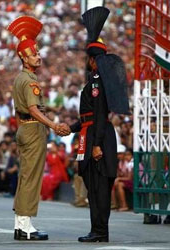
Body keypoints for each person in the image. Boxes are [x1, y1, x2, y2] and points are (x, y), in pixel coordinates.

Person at [68, 7, 130, 242]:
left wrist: (95, 145)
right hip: (92, 133)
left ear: (93, 60)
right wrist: (70, 129)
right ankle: (98, 229)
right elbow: (88, 116)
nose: (88, 63)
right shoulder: (96, 81)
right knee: (94, 188)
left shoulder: (96, 82)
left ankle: (100, 231)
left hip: (98, 137)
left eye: (89, 59)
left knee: (99, 188)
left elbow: (100, 113)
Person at [7, 16, 70, 241]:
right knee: (32, 178)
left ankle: (19, 224)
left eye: (38, 52)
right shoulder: (30, 81)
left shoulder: (19, 79)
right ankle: (25, 226)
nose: (38, 56)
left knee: (25, 176)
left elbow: (19, 111)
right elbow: (33, 109)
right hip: (33, 130)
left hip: (24, 129)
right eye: (34, 53)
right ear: (24, 58)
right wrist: (53, 125)